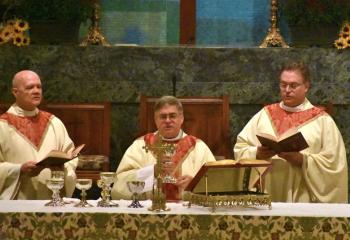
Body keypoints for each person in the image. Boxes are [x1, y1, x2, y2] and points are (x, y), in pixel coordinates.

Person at [234, 62, 348, 203]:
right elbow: (240, 148)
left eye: (293, 85)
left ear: (306, 86)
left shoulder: (322, 121)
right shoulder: (264, 114)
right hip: (267, 190)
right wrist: (257, 153)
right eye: (283, 85)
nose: (287, 90)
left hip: (302, 194)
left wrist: (303, 160)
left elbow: (335, 163)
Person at [112, 95, 216, 200]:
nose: (167, 120)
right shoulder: (140, 145)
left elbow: (216, 184)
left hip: (188, 211)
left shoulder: (198, 147)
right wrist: (152, 172)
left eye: (172, 116)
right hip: (149, 212)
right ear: (155, 120)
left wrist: (194, 185)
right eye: (163, 116)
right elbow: (118, 186)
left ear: (181, 118)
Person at [0, 70, 77, 199]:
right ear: (15, 92)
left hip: (52, 199)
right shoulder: (2, 125)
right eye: (30, 87)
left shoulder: (54, 122)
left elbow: (71, 156)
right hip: (17, 203)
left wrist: (62, 166)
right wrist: (19, 169)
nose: (36, 91)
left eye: (39, 87)